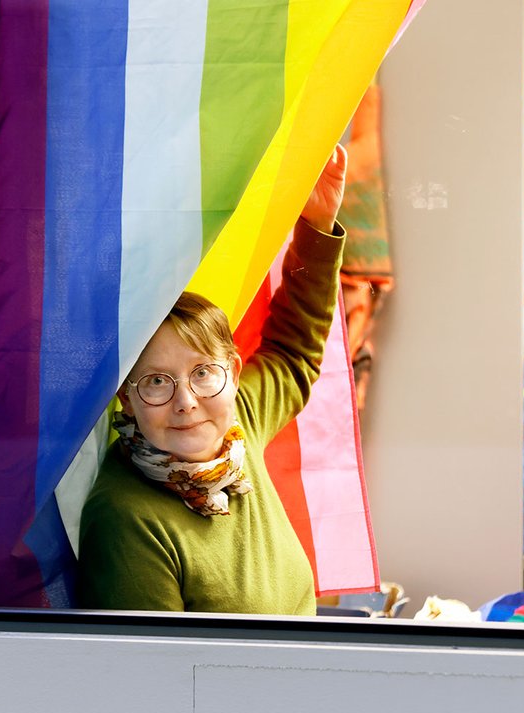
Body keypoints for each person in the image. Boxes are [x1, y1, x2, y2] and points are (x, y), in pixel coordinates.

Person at [76, 144, 348, 615]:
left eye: (202, 372)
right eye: (156, 382)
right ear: (125, 397)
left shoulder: (237, 423)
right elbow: (161, 663)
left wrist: (318, 225)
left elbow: (293, 353)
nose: (186, 401)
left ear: (233, 374)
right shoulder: (123, 519)